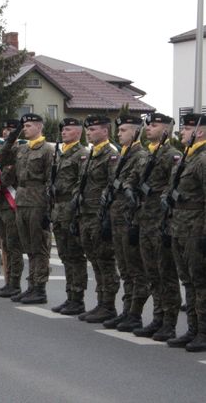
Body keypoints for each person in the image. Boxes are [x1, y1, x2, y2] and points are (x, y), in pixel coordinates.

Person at [125, 113, 182, 341]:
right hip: (144, 220)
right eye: (148, 124)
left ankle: (169, 323)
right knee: (152, 274)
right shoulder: (146, 153)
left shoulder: (172, 155)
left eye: (154, 125)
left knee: (166, 274)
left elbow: (173, 188)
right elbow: (132, 177)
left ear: (166, 129)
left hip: (161, 222)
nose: (148, 128)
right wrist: (130, 187)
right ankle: (157, 318)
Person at [0, 113, 54, 304]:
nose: (25, 128)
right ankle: (30, 286)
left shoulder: (47, 150)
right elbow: (1, 158)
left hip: (38, 201)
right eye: (24, 126)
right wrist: (12, 136)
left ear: (39, 127)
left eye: (28, 126)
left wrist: (47, 208)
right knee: (28, 247)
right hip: (21, 201)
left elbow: (50, 180)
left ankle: (39, 288)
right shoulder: (21, 149)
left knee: (40, 247)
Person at [163, 113, 206, 352]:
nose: (182, 134)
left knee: (200, 282)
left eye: (185, 130)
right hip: (179, 226)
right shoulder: (187, 159)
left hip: (196, 229)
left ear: (198, 131)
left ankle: (203, 332)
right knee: (188, 282)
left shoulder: (203, 159)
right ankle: (192, 329)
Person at [101, 116, 148, 332]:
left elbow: (132, 185)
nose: (119, 134)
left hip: (130, 218)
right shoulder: (122, 155)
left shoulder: (140, 156)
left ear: (136, 132)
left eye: (123, 130)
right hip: (116, 217)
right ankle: (127, 311)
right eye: (118, 130)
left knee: (135, 269)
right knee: (125, 269)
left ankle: (135, 314)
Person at [75, 115, 120, 323]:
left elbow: (112, 187)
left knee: (105, 261)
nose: (89, 133)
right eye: (88, 130)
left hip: (99, 215)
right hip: (86, 214)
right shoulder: (91, 154)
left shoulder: (111, 155)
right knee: (95, 261)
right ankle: (101, 303)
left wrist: (106, 219)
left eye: (93, 130)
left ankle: (108, 305)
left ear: (105, 131)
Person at [50, 118, 89, 315]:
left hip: (71, 209)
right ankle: (70, 296)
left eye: (68, 129)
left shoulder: (81, 154)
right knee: (65, 255)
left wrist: (75, 211)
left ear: (78, 132)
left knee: (75, 255)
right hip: (58, 209)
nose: (64, 132)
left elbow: (81, 184)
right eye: (63, 129)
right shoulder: (61, 153)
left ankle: (78, 298)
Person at [0, 119, 24, 298]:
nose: (6, 133)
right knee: (5, 245)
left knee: (13, 246)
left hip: (13, 205)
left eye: (11, 130)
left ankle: (15, 282)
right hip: (2, 204)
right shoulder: (3, 153)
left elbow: (5, 180)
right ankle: (8, 280)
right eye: (5, 130)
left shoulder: (18, 152)